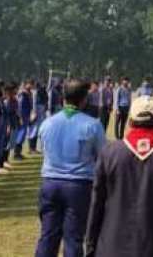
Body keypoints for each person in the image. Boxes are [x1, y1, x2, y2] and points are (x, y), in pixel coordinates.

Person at [85, 96, 153, 257]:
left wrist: (90, 247)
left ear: (130, 121)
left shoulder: (109, 153)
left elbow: (96, 205)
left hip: (111, 247)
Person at [34, 79, 105, 257]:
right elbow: (102, 157)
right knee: (73, 238)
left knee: (47, 236)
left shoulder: (47, 123)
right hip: (78, 186)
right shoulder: (93, 125)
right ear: (84, 99)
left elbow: (42, 149)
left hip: (50, 183)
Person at [14, 80, 33, 159]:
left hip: (26, 116)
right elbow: (20, 107)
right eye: (29, 84)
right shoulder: (22, 95)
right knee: (21, 134)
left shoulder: (27, 94)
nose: (31, 86)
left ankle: (19, 152)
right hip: (22, 116)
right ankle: (16, 153)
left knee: (23, 134)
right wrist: (20, 117)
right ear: (25, 85)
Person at [29, 80, 48, 153]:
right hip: (37, 109)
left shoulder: (41, 91)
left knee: (38, 129)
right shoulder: (35, 92)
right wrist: (34, 112)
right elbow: (33, 102)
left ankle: (34, 147)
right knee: (34, 128)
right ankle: (31, 147)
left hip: (41, 109)